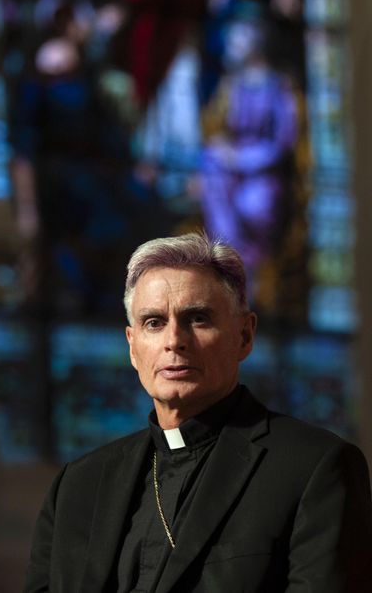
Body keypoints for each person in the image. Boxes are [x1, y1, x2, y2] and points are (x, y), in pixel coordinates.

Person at [24, 232, 372, 593]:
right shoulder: (78, 486)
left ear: (244, 335)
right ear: (132, 346)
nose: (175, 340)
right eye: (154, 322)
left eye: (198, 318)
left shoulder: (314, 468)